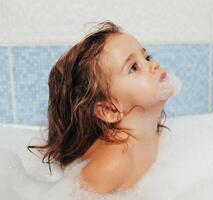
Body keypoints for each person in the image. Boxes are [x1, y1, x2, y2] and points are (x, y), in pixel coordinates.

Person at [27, 20, 177, 195]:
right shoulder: (112, 163)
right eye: (134, 67)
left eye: (146, 57)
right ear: (110, 110)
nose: (153, 64)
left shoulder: (156, 135)